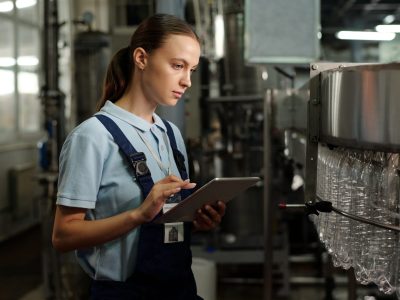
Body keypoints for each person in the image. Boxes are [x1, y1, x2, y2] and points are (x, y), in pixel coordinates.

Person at [52, 14, 226, 300]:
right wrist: (138, 215)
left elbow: (165, 216)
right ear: (142, 58)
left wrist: (193, 218)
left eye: (192, 70)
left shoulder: (170, 134)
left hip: (179, 287)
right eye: (177, 66)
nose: (187, 81)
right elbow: (63, 236)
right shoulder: (93, 136)